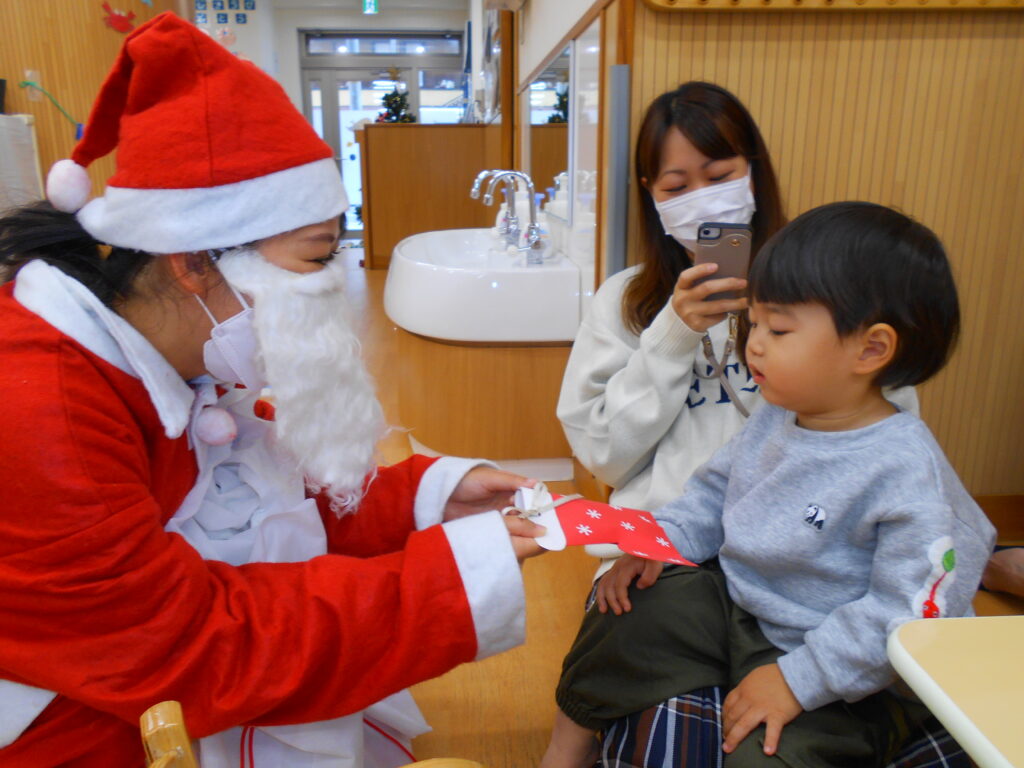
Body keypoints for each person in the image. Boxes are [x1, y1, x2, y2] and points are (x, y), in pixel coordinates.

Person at [0, 13, 545, 768]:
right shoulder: (40, 408)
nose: (332, 287)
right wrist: (449, 579)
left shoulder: (167, 343)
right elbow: (191, 650)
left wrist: (429, 497)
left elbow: (254, 506)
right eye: (316, 258)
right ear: (194, 262)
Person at [541, 201, 996, 767]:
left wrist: (798, 680)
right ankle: (567, 748)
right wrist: (659, 542)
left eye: (778, 329)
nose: (754, 343)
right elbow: (711, 495)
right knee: (630, 608)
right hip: (743, 605)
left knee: (767, 755)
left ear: (871, 349)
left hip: (845, 668)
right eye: (753, 323)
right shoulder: (782, 413)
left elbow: (906, 616)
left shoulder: (905, 470)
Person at [556, 82, 918, 582]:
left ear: (754, 173)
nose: (702, 201)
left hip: (806, 547)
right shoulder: (625, 302)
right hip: (666, 545)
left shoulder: (829, 287)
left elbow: (888, 421)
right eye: (677, 187)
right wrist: (672, 335)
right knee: (635, 654)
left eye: (721, 176)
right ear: (650, 192)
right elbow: (605, 458)